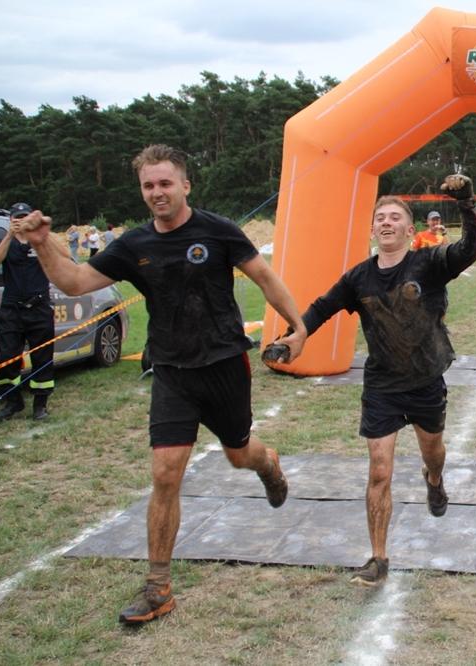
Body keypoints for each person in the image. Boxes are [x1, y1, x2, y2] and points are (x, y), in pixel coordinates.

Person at [16, 144, 309, 624]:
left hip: (224, 365)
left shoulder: (218, 230)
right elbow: (74, 282)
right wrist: (42, 242)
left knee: (240, 455)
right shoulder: (133, 245)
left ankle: (268, 464)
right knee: (166, 473)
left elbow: (265, 278)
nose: (157, 192)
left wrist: (297, 328)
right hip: (172, 371)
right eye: (148, 185)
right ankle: (158, 588)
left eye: (165, 183)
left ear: (185, 185)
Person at [300, 175, 476, 586]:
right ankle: (378, 558)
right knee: (379, 470)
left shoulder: (428, 263)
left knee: (433, 452)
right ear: (372, 230)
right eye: (380, 217)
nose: (386, 222)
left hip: (425, 379)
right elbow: (322, 307)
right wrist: (296, 336)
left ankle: (434, 480)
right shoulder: (358, 278)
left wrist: (467, 203)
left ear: (409, 229)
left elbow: (471, 248)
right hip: (382, 386)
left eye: (394, 217)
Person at [0, 203, 61, 421]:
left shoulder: (40, 241)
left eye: (25, 217)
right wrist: (8, 236)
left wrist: (43, 233)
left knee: (42, 356)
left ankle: (40, 404)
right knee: (4, 356)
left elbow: (65, 256)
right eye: (17, 218)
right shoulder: (5, 241)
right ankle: (13, 400)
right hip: (11, 308)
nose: (22, 221)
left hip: (39, 307)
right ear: (11, 220)